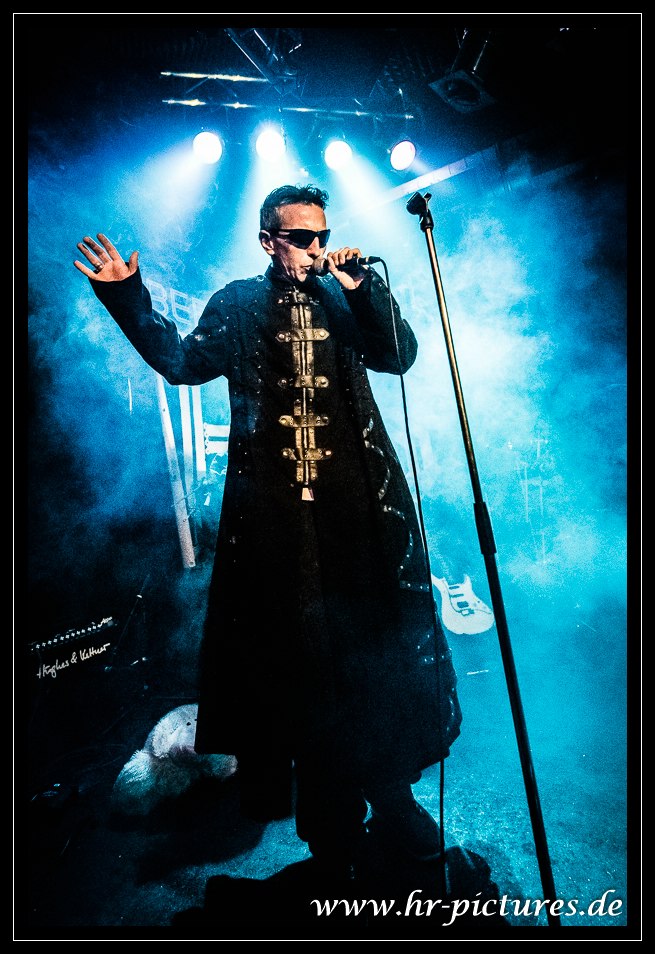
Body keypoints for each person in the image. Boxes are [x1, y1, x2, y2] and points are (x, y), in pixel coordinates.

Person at [74, 183, 462, 883]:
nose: (315, 249)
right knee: (302, 678)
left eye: (322, 236)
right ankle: (331, 835)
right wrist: (127, 297)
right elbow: (181, 363)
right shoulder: (238, 303)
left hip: (360, 517)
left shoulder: (344, 296)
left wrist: (363, 287)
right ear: (268, 241)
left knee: (371, 662)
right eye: (301, 238)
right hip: (278, 530)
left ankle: (393, 800)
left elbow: (398, 355)